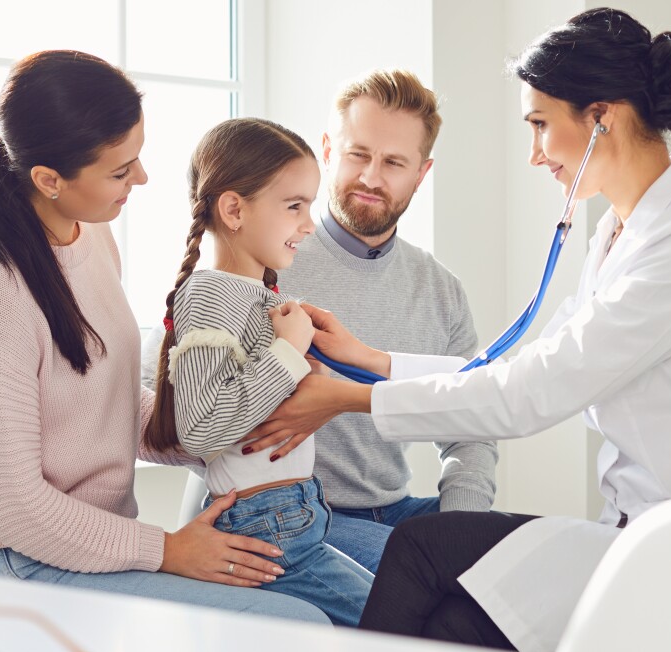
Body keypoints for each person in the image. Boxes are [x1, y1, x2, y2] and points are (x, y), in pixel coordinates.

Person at [243, 8, 671, 652]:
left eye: (540, 125)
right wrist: (373, 360)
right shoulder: (625, 232)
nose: (534, 155)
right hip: (640, 532)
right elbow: (521, 365)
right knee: (449, 613)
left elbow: (531, 391)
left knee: (426, 555)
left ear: (601, 118)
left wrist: (352, 395)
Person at [0, 50, 327, 625]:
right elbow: (12, 508)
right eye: (120, 171)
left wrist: (231, 420)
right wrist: (166, 549)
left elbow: (106, 403)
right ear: (48, 180)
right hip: (24, 565)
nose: (141, 178)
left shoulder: (90, 238)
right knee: (301, 624)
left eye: (137, 158)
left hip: (96, 548)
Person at [142, 69, 498, 573]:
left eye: (394, 162)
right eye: (358, 154)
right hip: (292, 515)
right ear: (329, 150)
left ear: (422, 172)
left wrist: (458, 528)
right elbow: (163, 400)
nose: (372, 177)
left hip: (399, 509)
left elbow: (472, 425)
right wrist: (244, 442)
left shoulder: (441, 290)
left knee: (519, 557)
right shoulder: (261, 257)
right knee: (434, 591)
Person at [144, 117, 374, 627]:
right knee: (397, 625)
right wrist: (288, 355)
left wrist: (305, 367)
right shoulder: (208, 294)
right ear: (233, 209)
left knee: (394, 616)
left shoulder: (258, 297)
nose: (310, 224)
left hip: (296, 514)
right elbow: (202, 428)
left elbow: (258, 405)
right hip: (268, 524)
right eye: (294, 206)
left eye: (309, 206)